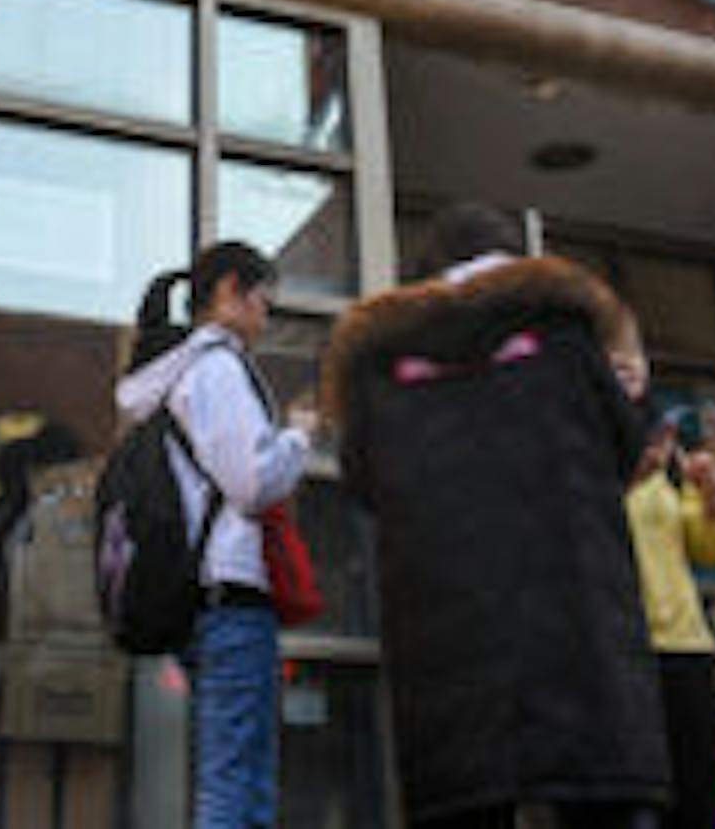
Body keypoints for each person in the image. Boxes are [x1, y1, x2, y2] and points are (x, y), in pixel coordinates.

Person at [323, 202, 668, 828]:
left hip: (444, 627)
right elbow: (626, 447)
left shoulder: (379, 362)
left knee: (465, 799)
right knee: (601, 797)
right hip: (573, 611)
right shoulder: (565, 333)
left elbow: (363, 480)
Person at [114, 242, 314, 829]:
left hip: (204, 597)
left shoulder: (177, 374)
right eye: (263, 301)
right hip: (232, 598)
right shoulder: (215, 368)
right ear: (229, 290)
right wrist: (298, 437)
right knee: (236, 787)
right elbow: (253, 482)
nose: (266, 318)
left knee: (235, 780)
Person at [623, 394, 715, 829]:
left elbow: (711, 549)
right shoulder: (596, 458)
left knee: (699, 793)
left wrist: (711, 498)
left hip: (684, 643)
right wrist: (631, 479)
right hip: (623, 648)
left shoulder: (670, 468)